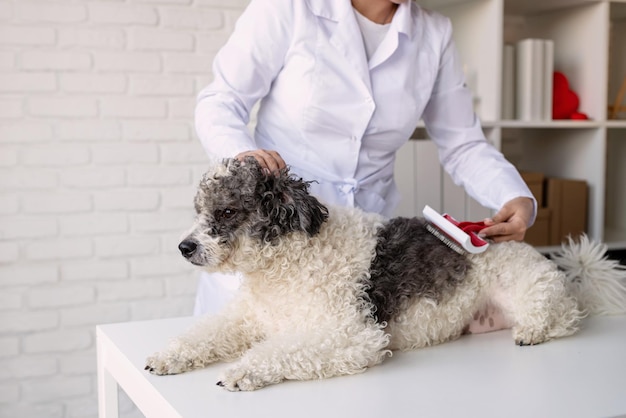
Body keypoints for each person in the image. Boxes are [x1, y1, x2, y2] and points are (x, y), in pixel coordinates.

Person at [192, 0, 535, 333]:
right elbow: (221, 101)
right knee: (239, 366)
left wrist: (516, 197)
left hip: (364, 256)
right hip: (272, 241)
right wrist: (243, 155)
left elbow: (463, 143)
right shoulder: (289, 7)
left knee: (344, 366)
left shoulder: (434, 32)